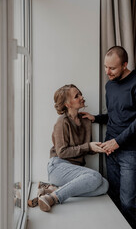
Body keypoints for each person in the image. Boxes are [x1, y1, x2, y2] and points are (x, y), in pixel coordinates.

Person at [81, 46, 136, 229]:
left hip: (131, 151)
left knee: (128, 202)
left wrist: (118, 142)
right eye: (105, 67)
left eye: (112, 68)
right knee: (112, 197)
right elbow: (116, 116)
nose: (107, 72)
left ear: (125, 64)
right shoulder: (109, 85)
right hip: (110, 149)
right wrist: (96, 118)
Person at [38, 84, 109, 212]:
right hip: (58, 166)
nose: (82, 97)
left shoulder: (86, 121)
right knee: (95, 177)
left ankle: (57, 189)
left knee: (104, 186)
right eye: (77, 96)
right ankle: (53, 197)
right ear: (67, 104)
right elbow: (62, 152)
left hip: (74, 170)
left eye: (80, 94)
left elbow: (85, 148)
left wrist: (97, 148)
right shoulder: (62, 121)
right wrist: (88, 146)